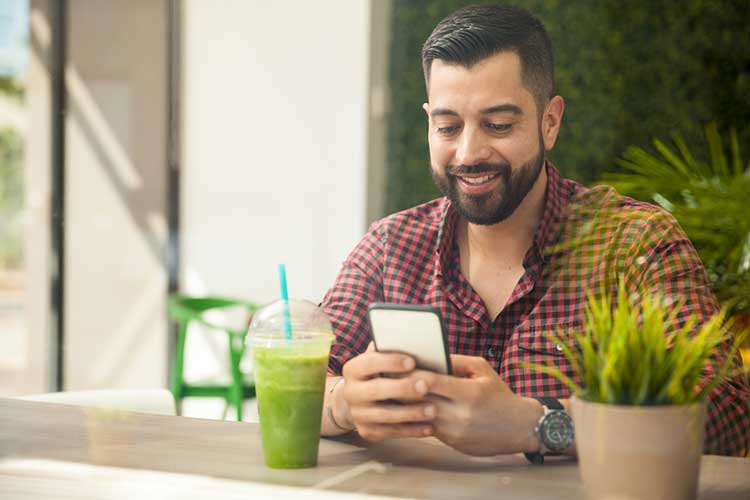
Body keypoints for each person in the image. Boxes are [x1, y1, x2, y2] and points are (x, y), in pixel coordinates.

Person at [318, 3, 749, 459]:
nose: (468, 152)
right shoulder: (391, 246)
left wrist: (537, 423)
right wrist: (344, 402)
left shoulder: (635, 244)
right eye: (447, 126)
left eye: (498, 125)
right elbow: (294, 386)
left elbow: (727, 414)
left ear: (550, 121)